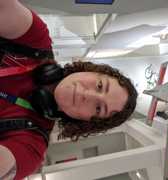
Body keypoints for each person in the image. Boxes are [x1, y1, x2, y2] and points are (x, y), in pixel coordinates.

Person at [0, 1, 138, 179]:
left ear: (87, 122)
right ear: (92, 71)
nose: (86, 95)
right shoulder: (35, 41)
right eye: (99, 86)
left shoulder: (32, 144)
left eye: (98, 108)